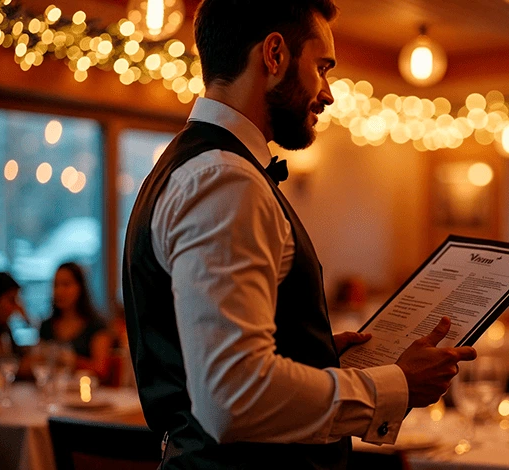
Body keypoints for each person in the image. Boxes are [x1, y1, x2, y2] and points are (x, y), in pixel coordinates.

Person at [121, 2, 476, 468]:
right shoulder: (225, 180)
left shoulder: (191, 165)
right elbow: (232, 398)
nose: (328, 94)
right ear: (274, 55)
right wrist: (398, 385)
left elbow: (207, 361)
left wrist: (312, 353)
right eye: (322, 68)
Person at [39, 262, 113, 381]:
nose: (59, 291)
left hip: (87, 394)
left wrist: (72, 360)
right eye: (55, 285)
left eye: (66, 285)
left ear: (80, 288)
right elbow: (37, 365)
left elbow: (101, 369)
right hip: (54, 391)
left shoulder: (96, 325)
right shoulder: (46, 326)